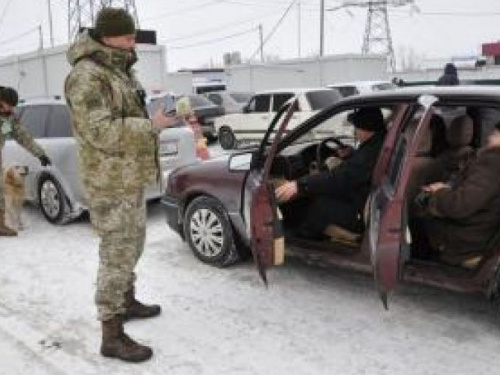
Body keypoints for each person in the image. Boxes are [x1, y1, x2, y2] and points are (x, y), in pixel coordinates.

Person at [64, 7, 178, 362]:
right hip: (109, 182)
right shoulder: (87, 76)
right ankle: (110, 334)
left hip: (128, 177)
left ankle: (126, 302)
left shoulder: (119, 70)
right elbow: (100, 131)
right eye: (127, 36)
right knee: (117, 254)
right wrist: (151, 126)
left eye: (133, 36)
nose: (133, 43)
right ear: (107, 36)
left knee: (132, 245)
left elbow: (127, 115)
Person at [276, 107, 386, 239]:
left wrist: (299, 184)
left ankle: (302, 239)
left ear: (365, 128)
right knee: (324, 195)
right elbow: (356, 170)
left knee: (321, 205)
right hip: (365, 198)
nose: (354, 132)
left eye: (356, 128)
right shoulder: (378, 143)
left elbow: (339, 179)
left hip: (362, 211)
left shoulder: (369, 153)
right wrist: (351, 154)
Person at [418, 122, 500, 267]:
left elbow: (459, 206)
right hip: (478, 232)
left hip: (464, 243)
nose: (488, 138)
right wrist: (447, 188)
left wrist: (439, 192)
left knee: (414, 227)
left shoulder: (493, 162)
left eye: (494, 134)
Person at [0, 86, 51, 236]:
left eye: (12, 106)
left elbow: (24, 137)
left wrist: (40, 154)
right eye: (8, 105)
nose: (10, 109)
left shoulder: (9, 118)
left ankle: (0, 224)